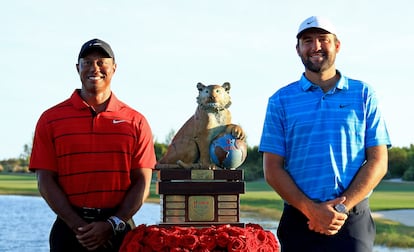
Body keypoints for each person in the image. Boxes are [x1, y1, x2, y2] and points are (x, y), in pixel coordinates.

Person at [259, 16, 391, 252]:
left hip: (351, 219)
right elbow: (272, 169)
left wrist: (340, 208)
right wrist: (312, 211)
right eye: (307, 41)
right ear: (298, 49)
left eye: (323, 39)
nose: (315, 46)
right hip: (299, 219)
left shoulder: (363, 94)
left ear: (337, 45)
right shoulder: (280, 100)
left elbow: (378, 161)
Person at [29, 38, 156, 252]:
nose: (93, 68)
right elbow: (45, 180)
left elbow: (142, 182)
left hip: (119, 229)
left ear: (114, 68)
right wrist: (77, 225)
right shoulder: (50, 119)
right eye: (87, 62)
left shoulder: (136, 121)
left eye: (101, 62)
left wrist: (113, 223)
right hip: (69, 230)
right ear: (77, 67)